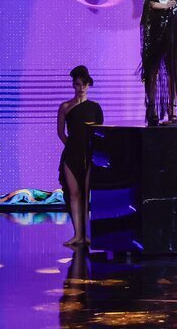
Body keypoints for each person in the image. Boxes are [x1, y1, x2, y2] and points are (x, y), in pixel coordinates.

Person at [57, 65, 104, 247]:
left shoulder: (95, 108)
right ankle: (77, 234)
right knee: (74, 194)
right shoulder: (65, 107)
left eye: (84, 84)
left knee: (86, 194)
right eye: (78, 84)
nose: (81, 88)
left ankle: (87, 235)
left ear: (89, 85)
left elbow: (99, 133)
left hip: (90, 155)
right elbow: (60, 132)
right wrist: (72, 146)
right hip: (71, 155)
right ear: (73, 85)